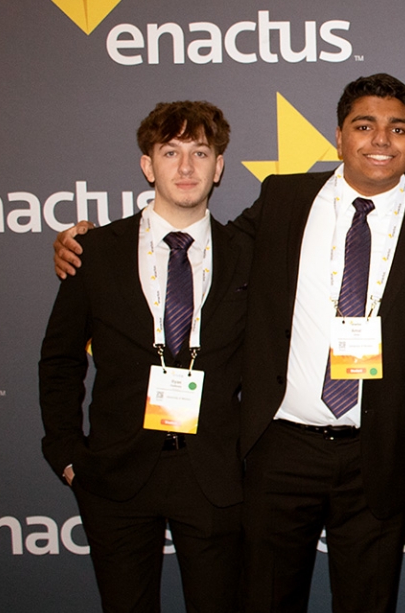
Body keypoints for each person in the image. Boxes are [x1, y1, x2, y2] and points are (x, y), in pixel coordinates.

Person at [53, 74, 405, 613]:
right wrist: (83, 246)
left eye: (398, 128)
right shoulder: (284, 198)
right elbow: (202, 251)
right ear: (339, 136)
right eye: (363, 125)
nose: (380, 140)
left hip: (378, 456)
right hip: (279, 450)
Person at [39, 101, 249, 612]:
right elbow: (60, 360)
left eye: (200, 152)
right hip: (116, 474)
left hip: (215, 475)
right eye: (170, 151)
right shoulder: (95, 253)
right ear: (147, 164)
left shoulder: (250, 253)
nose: (185, 167)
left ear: (218, 166)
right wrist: (68, 456)